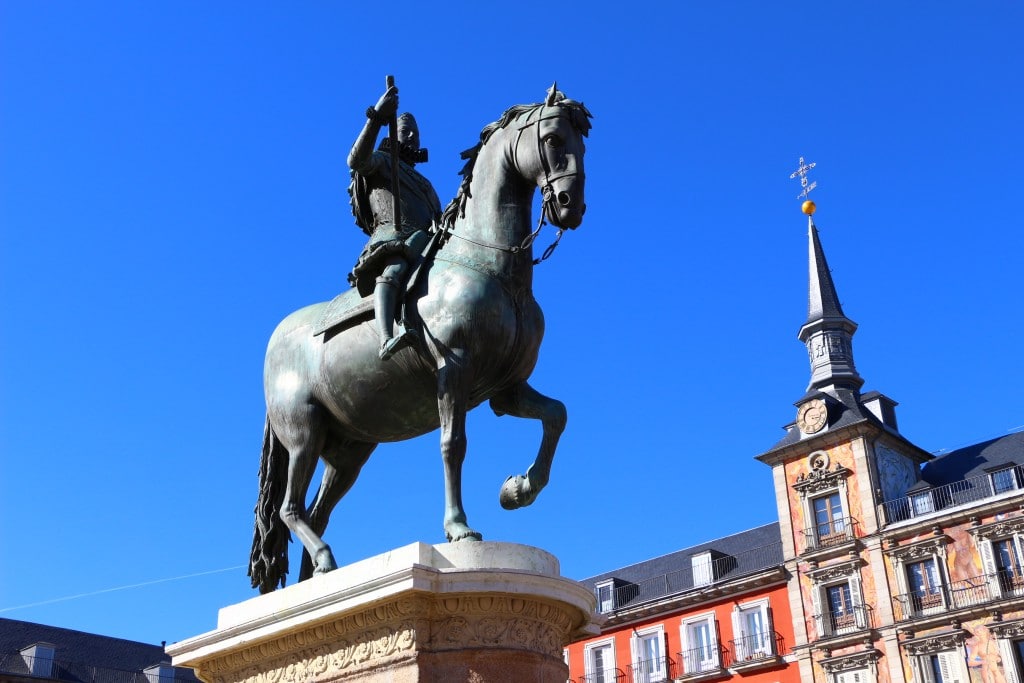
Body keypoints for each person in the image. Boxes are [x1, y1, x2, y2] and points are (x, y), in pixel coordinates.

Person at [347, 85, 441, 360]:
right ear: (392, 133)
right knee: (395, 267)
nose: (412, 137)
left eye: (416, 133)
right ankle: (386, 338)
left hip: (424, 244)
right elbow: (356, 160)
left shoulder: (426, 185)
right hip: (393, 238)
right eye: (405, 131)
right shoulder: (382, 161)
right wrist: (377, 117)